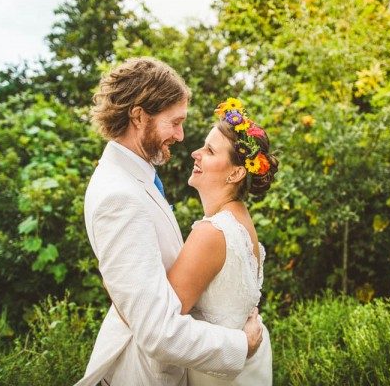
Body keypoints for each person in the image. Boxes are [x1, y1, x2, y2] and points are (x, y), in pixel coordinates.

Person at [75, 57, 263, 386]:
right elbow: (157, 330)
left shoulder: (138, 179)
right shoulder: (118, 196)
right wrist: (242, 345)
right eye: (174, 122)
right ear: (138, 116)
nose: (180, 135)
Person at [167, 97, 278, 385]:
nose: (195, 153)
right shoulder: (241, 221)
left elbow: (163, 316)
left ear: (236, 172)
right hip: (243, 368)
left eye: (210, 150)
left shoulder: (213, 232)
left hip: (216, 373)